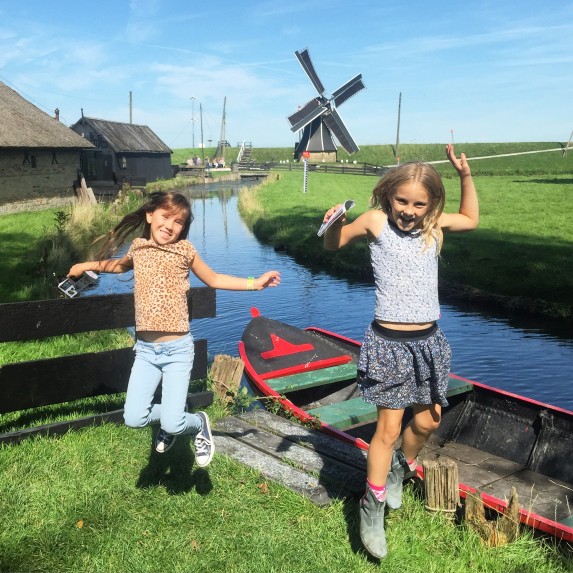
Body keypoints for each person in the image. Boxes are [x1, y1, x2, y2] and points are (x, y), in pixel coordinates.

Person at [322, 144, 478, 559]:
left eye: (419, 203)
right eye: (401, 200)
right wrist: (333, 223)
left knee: (428, 420)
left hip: (428, 343)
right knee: (387, 431)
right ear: (388, 194)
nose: (408, 210)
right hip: (389, 345)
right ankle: (370, 508)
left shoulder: (434, 225)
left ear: (431, 203)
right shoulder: (375, 221)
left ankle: (398, 469)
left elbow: (472, 219)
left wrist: (464, 175)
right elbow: (334, 245)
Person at [67, 191, 281, 467]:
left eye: (178, 222)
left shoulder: (185, 251)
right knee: (133, 418)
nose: (169, 225)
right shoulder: (138, 247)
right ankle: (173, 423)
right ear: (150, 215)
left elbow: (214, 279)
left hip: (177, 350)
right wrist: (85, 265)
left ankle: (195, 423)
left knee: (173, 420)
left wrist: (255, 283)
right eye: (165, 217)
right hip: (145, 351)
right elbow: (119, 266)